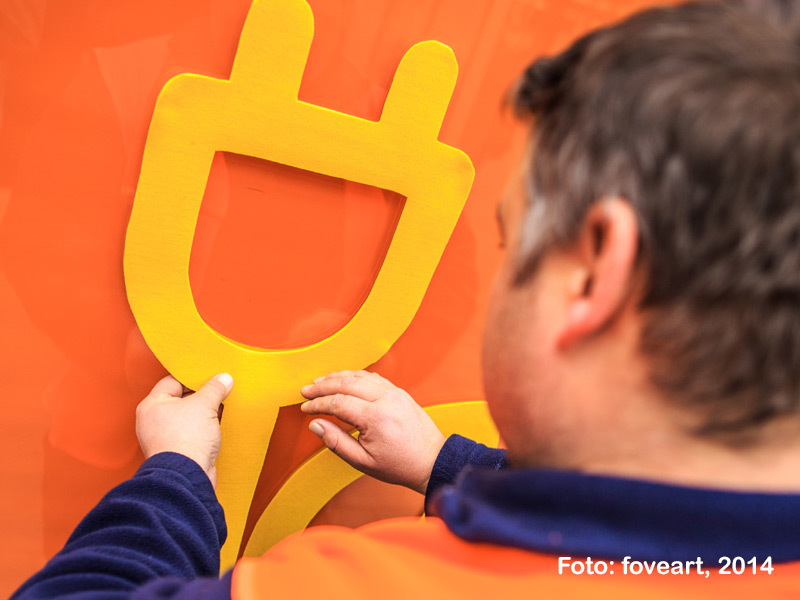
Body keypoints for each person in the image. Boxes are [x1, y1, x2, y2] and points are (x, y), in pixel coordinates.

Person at [12, 0, 800, 597]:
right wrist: (447, 466)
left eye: (511, 242)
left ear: (594, 276)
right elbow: (623, 528)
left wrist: (173, 480)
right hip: (95, 425)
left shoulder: (363, 583)